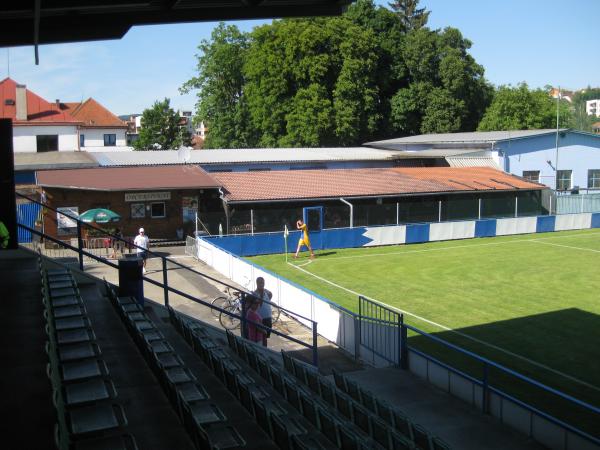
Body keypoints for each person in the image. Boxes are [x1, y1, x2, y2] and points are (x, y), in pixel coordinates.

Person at [253, 277, 273, 347]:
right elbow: (260, 304)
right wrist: (261, 295)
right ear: (257, 283)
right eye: (260, 283)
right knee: (260, 338)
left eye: (263, 283)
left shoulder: (266, 292)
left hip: (268, 318)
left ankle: (265, 350)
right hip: (260, 319)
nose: (262, 284)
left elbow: (271, 294)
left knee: (266, 337)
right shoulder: (255, 294)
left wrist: (267, 295)